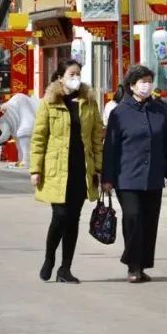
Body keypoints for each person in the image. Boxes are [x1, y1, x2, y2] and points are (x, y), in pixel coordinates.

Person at [102, 65, 167, 283]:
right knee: (133, 217)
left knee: (149, 222)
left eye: (149, 80)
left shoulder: (159, 110)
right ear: (131, 85)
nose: (146, 85)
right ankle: (132, 265)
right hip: (126, 176)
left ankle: (141, 264)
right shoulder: (119, 112)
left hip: (153, 175)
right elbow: (111, 147)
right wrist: (107, 177)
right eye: (142, 81)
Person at [30, 59, 104, 284]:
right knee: (60, 216)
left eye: (78, 73)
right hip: (57, 169)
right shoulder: (49, 102)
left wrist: (99, 168)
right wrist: (35, 168)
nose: (76, 77)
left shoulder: (89, 102)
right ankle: (49, 258)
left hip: (81, 170)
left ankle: (65, 268)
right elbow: (39, 137)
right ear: (60, 77)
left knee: (73, 219)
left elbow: (96, 137)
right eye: (71, 73)